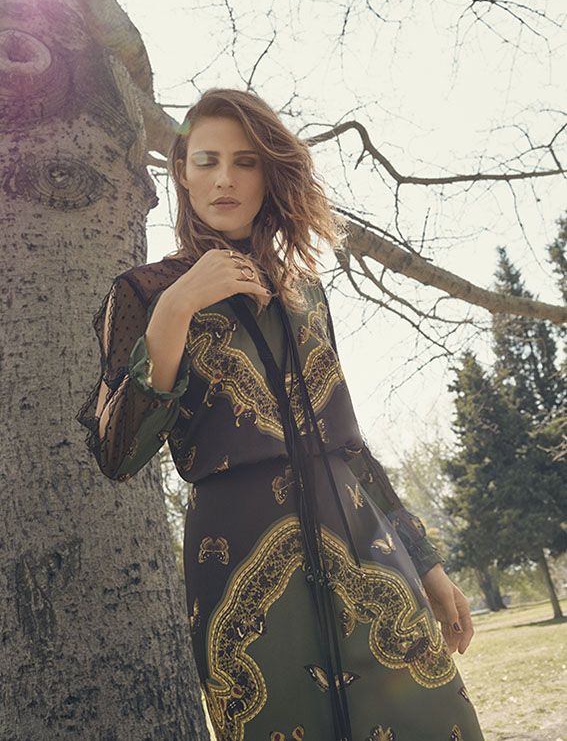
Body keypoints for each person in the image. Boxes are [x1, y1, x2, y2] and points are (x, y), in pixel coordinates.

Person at [76, 88, 486, 741]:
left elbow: (350, 446)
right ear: (181, 172)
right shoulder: (145, 292)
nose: (225, 179)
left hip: (363, 546)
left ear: (269, 174)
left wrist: (429, 568)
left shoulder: (306, 292)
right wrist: (177, 308)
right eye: (207, 161)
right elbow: (116, 452)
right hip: (240, 565)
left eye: (245, 162)